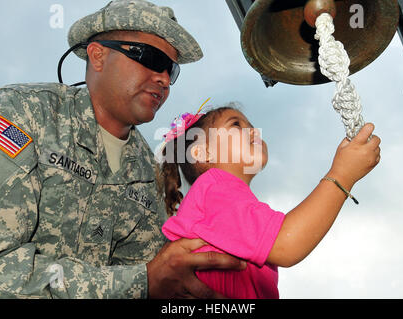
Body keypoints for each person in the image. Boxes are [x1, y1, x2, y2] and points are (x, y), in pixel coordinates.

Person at [0, 0, 244, 299]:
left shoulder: (147, 170)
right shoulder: (17, 114)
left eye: (170, 70)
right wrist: (140, 282)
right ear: (98, 55)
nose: (163, 79)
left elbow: (153, 273)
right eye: (150, 57)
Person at [160, 105, 381, 298]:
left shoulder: (221, 196)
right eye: (236, 124)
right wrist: (343, 175)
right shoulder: (213, 186)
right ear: (203, 152)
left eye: (252, 125)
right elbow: (286, 244)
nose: (255, 131)